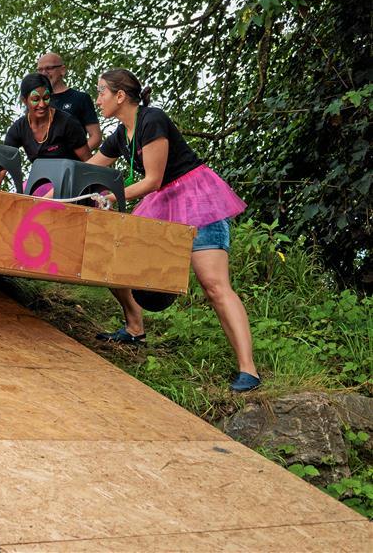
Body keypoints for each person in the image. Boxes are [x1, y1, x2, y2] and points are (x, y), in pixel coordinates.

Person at [86, 69, 261, 392]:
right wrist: (50, 188)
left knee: (214, 285)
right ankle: (134, 327)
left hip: (195, 199)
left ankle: (248, 370)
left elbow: (153, 179)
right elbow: (87, 167)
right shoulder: (120, 135)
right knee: (113, 256)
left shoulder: (152, 120)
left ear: (120, 95)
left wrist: (110, 197)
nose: (98, 100)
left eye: (101, 92)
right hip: (162, 204)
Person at [0, 73, 89, 188]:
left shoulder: (67, 123)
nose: (42, 104)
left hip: (71, 183)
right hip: (42, 183)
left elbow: (89, 162)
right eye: (35, 99)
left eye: (46, 98)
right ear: (24, 100)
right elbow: (3, 166)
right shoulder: (18, 128)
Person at [36, 52, 101, 151]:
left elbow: (96, 137)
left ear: (62, 70)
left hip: (71, 164)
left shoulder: (80, 98)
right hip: (42, 163)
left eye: (49, 68)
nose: (44, 73)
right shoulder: (35, 102)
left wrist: (74, 157)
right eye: (40, 70)